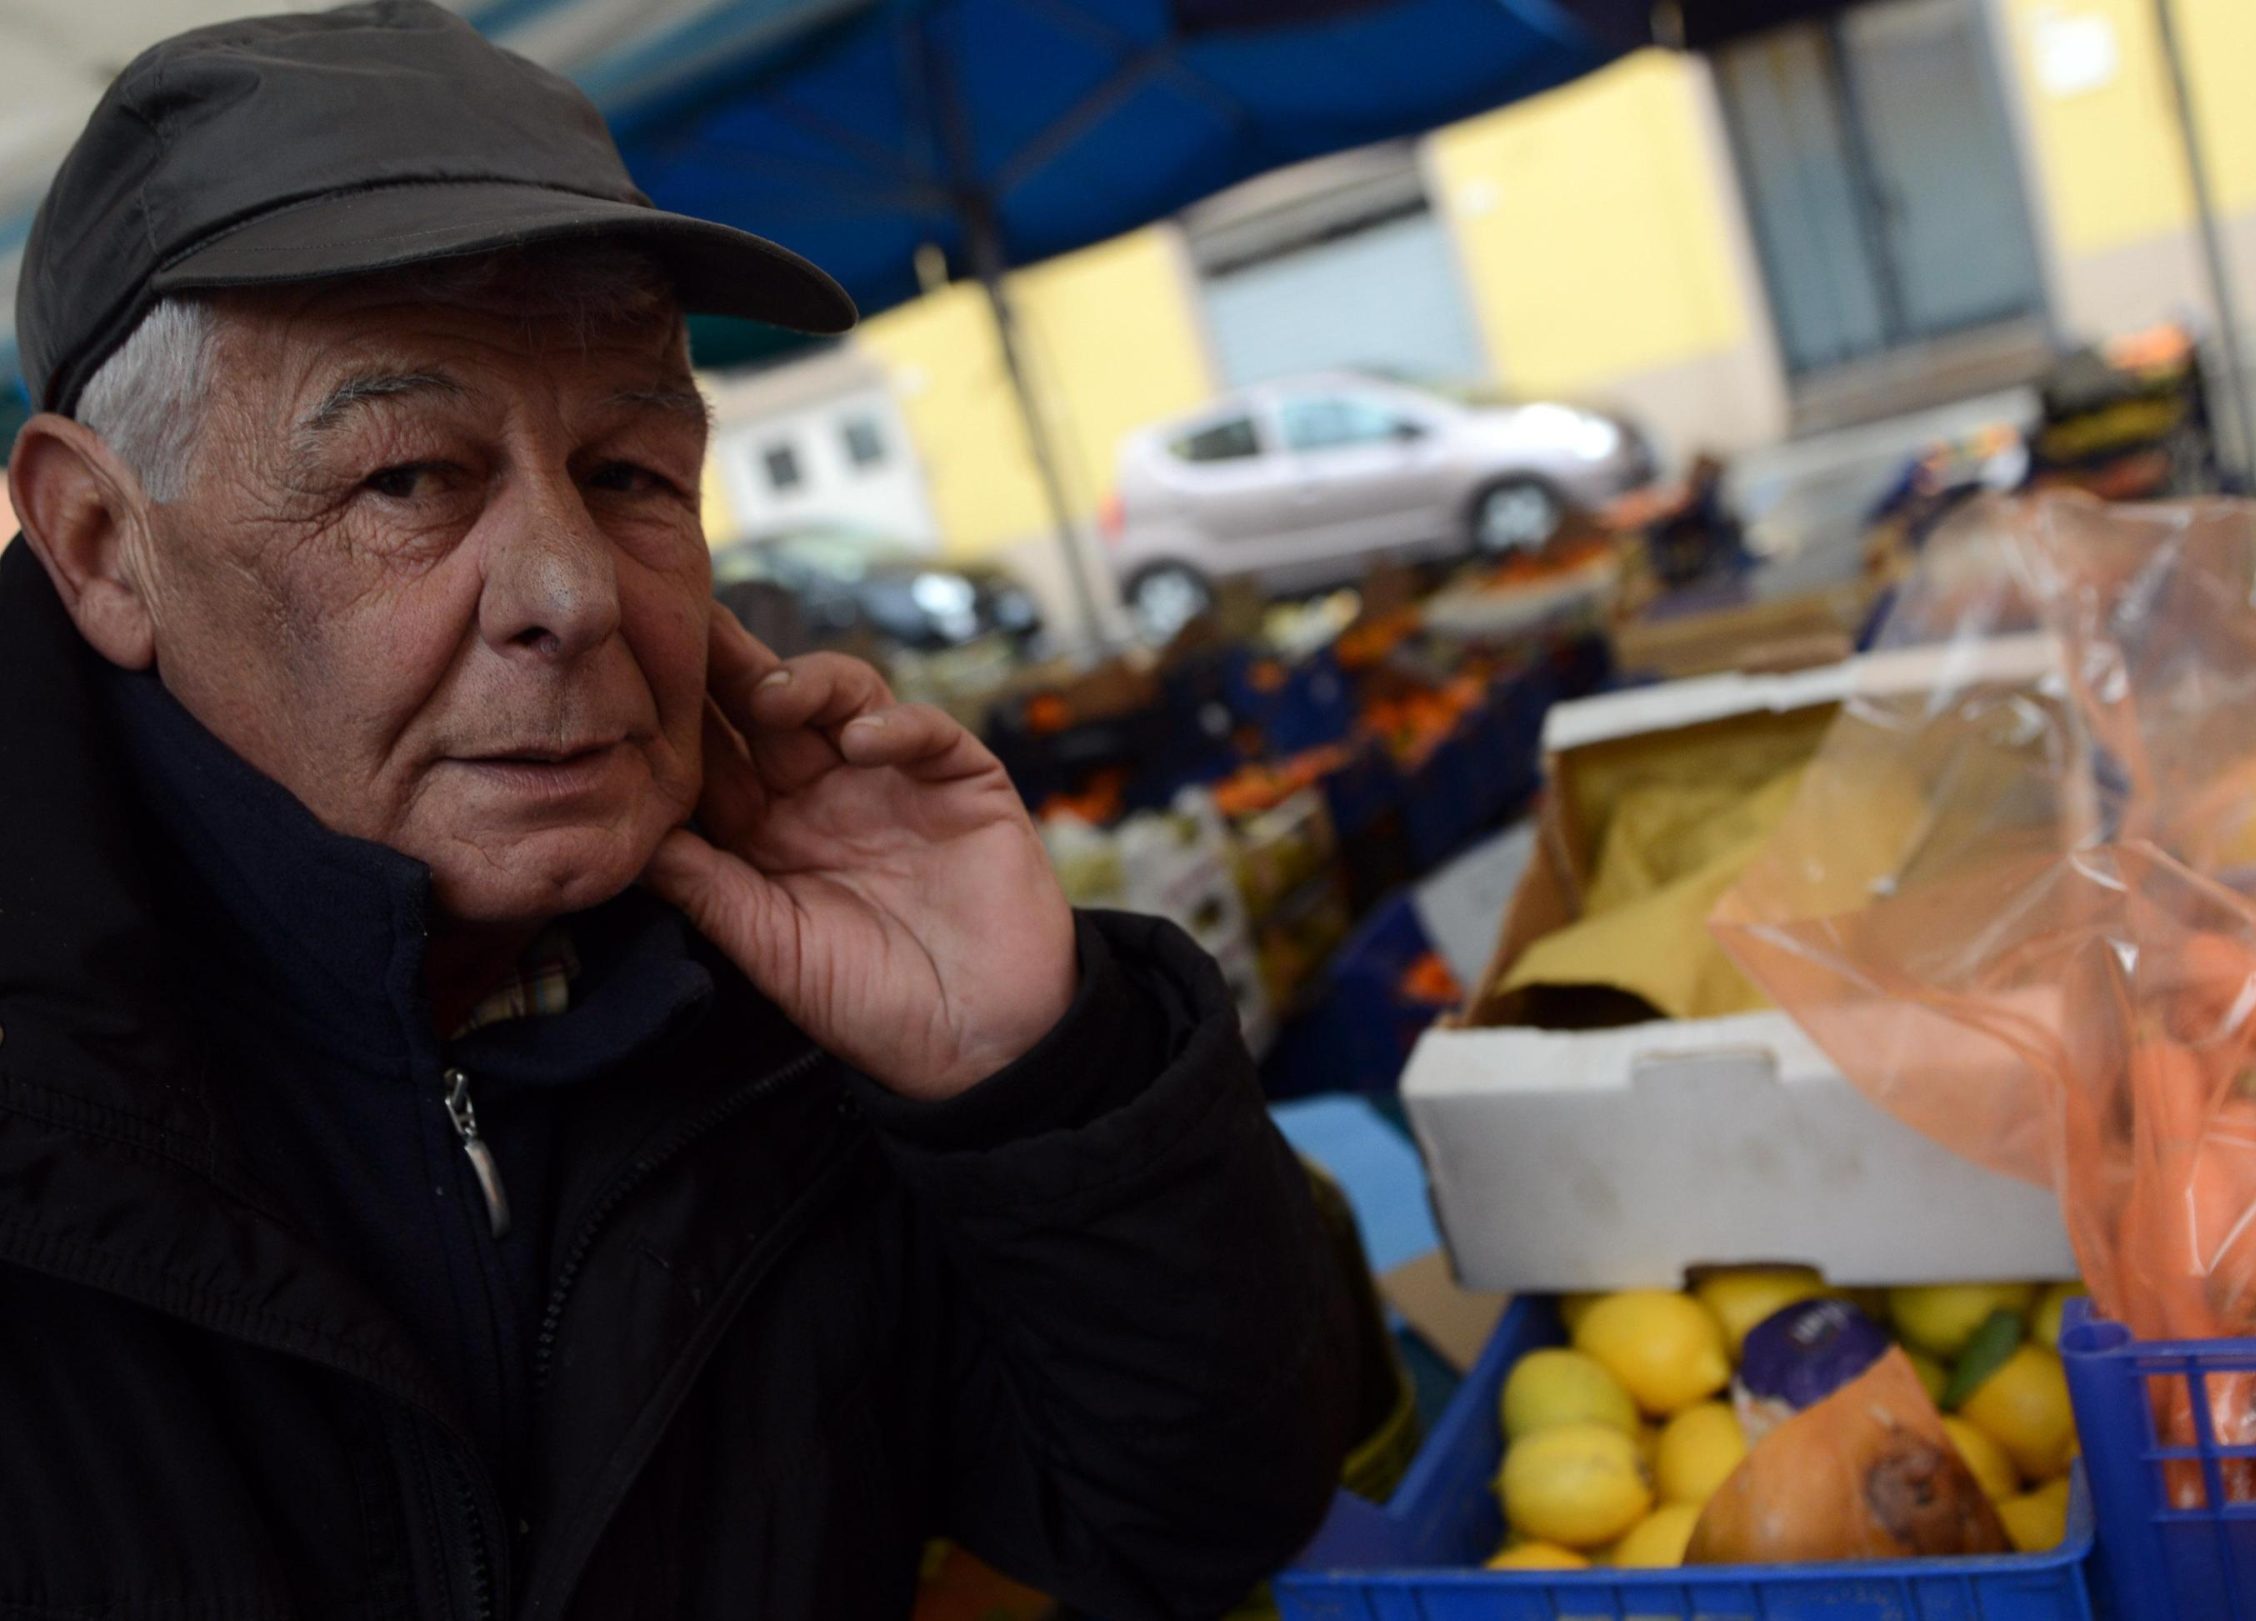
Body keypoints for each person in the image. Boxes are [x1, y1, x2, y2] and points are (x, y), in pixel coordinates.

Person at [0, 5, 1357, 1617]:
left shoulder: (780, 994)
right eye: (408, 477)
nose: (574, 591)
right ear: (101, 545)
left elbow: (1203, 1513)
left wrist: (1033, 1073)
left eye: (633, 473)